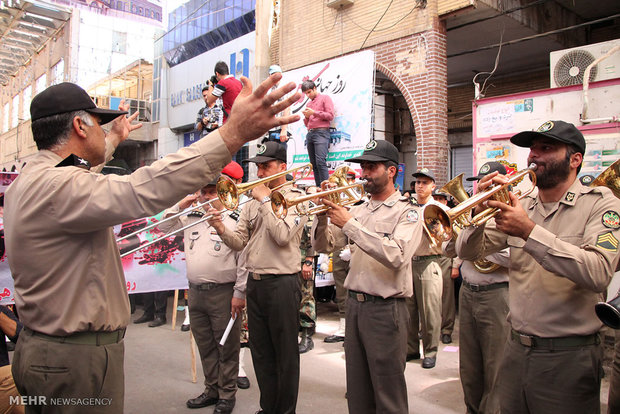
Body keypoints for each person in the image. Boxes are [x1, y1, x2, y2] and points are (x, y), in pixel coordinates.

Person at [3, 76, 301, 413]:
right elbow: (139, 189)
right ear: (79, 126)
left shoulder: (33, 178)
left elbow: (76, 172)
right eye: (100, 124)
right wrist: (231, 134)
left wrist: (111, 141)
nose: (106, 130)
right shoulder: (57, 185)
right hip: (73, 360)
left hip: (53, 352)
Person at [455, 120, 620, 414]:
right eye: (532, 148)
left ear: (575, 159)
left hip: (569, 356)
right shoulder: (524, 204)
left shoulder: (601, 205)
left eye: (547, 148)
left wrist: (529, 232)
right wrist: (477, 212)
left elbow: (598, 272)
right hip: (516, 349)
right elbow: (467, 250)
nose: (534, 155)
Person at [312, 140, 422, 414]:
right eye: (363, 167)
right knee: (358, 392)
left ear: (392, 171)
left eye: (372, 167)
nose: (365, 173)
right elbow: (324, 246)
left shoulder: (407, 212)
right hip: (355, 307)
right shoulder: (358, 208)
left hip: (386, 310)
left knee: (388, 393)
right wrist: (323, 215)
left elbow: (397, 255)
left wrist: (350, 223)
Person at [207, 141, 307, 414]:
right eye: (259, 167)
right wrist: (219, 227)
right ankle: (268, 407)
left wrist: (264, 200)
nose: (261, 173)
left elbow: (283, 235)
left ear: (282, 168)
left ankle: (285, 410)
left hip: (283, 284)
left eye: (267, 166)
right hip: (256, 283)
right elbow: (239, 242)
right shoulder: (251, 202)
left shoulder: (296, 198)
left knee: (285, 354)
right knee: (261, 352)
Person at [158, 171, 248, 414]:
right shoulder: (192, 215)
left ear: (222, 193)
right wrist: (182, 203)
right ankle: (212, 389)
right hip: (196, 292)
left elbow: (244, 260)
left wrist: (239, 293)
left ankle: (227, 395)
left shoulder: (234, 219)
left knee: (226, 346)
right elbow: (163, 226)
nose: (206, 197)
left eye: (211, 192)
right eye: (203, 192)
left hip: (223, 292)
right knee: (205, 344)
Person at [444, 161, 511, 414]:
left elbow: (515, 256)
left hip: (498, 295)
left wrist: (475, 248)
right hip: (469, 292)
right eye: (480, 185)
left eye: (490, 185)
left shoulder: (512, 214)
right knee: (469, 368)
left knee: (496, 368)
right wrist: (463, 233)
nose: (482, 190)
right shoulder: (470, 212)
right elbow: (446, 249)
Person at [406, 168, 444, 369]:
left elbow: (446, 236)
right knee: (409, 310)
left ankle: (430, 351)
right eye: (417, 182)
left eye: (424, 182)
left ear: (432, 186)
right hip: (408, 261)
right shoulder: (408, 206)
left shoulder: (437, 208)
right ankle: (411, 348)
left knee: (430, 310)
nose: (419, 186)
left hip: (429, 261)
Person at [432, 189, 456, 344]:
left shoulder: (451, 213)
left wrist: (456, 265)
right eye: (436, 198)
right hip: (430, 256)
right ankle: (429, 328)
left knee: (446, 296)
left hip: (446, 257)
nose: (438, 201)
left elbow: (458, 240)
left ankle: (446, 329)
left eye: (441, 199)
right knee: (430, 297)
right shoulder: (429, 211)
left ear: (446, 201)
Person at [301, 80, 334, 186]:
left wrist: (314, 113)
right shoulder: (309, 103)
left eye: (309, 92)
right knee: (314, 164)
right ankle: (318, 189)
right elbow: (307, 124)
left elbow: (330, 115)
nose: (308, 95)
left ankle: (326, 190)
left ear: (315, 88)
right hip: (310, 133)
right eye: (306, 93)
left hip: (321, 132)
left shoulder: (325, 98)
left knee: (320, 162)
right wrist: (306, 117)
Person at [0, 305, 23, 414]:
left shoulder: (1, 311)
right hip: (8, 377)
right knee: (14, 373)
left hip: (3, 383)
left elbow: (22, 338)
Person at [264, 65, 291, 147]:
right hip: (271, 129)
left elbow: (287, 109)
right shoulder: (269, 90)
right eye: (273, 75)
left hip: (281, 129)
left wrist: (284, 129)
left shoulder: (284, 87)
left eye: (277, 75)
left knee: (280, 156)